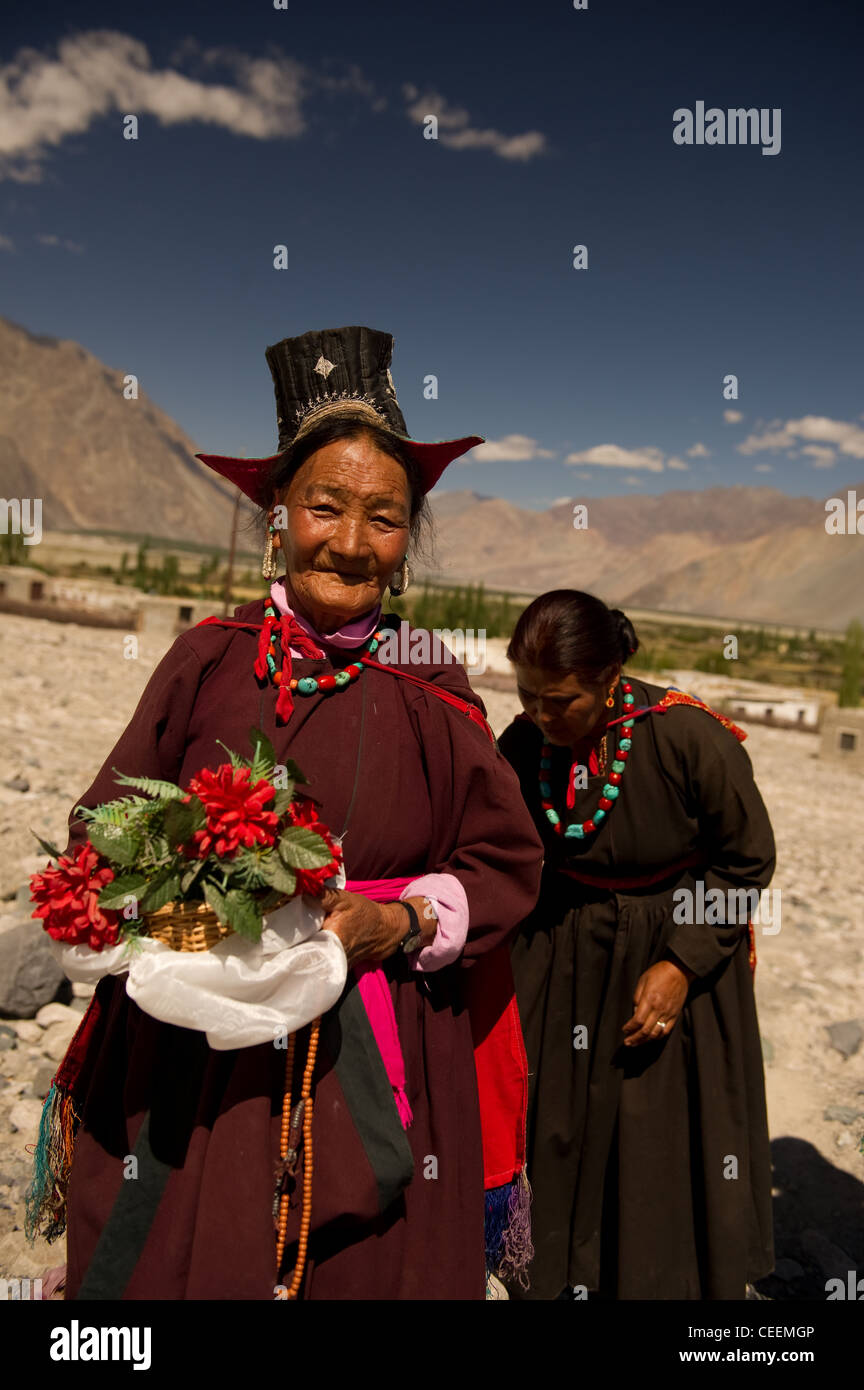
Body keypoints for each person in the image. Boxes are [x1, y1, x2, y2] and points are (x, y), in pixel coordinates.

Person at [32, 326, 543, 1300]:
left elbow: (505, 862)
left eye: (385, 516)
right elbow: (98, 826)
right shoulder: (210, 659)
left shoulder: (432, 684)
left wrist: (398, 919)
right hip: (191, 1042)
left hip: (371, 1048)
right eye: (325, 505)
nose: (351, 542)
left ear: (410, 536)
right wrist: (157, 898)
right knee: (173, 1264)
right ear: (278, 511)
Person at [497, 589, 775, 1300]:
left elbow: (745, 860)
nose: (541, 715)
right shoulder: (526, 742)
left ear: (610, 678)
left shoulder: (687, 737)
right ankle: (553, 1280)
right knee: (554, 1128)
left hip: (671, 950)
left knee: (654, 1140)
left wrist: (682, 964)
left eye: (561, 701)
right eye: (529, 696)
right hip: (562, 951)